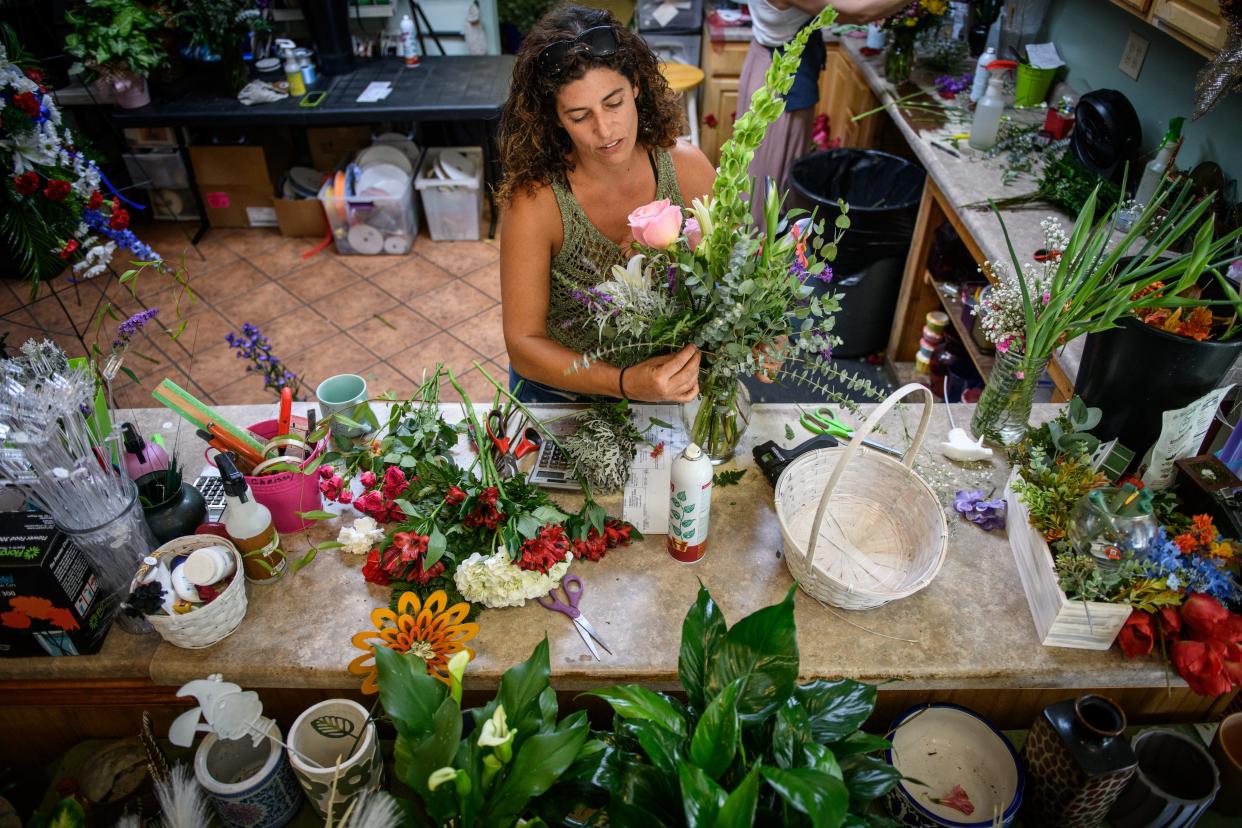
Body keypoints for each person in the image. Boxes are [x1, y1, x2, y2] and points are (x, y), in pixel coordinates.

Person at [497, 5, 716, 404]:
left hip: (671, 388)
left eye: (613, 103)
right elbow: (524, 345)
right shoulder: (536, 203)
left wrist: (759, 333)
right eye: (580, 116)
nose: (604, 129)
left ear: (635, 85)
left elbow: (730, 279)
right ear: (555, 119)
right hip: (562, 394)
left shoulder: (688, 170)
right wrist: (625, 382)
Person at [739, 0, 913, 226]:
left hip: (767, 67)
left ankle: (757, 249)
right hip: (779, 84)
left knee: (761, 182)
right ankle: (756, 254)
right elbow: (860, 12)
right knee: (770, 195)